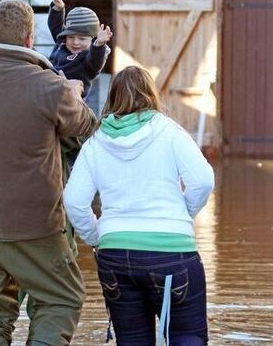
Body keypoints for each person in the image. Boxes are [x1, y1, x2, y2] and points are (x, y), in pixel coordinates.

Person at [0, 0, 97, 345]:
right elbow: (87, 127)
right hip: (36, 225)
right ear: (30, 39)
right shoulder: (49, 87)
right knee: (61, 297)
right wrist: (73, 93)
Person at [63, 66, 215, 345]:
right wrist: (182, 216)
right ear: (150, 95)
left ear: (113, 98)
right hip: (172, 255)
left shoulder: (96, 141)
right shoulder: (169, 131)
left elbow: (73, 201)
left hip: (115, 257)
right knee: (186, 337)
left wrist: (99, 236)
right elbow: (203, 180)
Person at [48, 0, 112, 99]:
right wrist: (58, 9)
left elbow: (95, 63)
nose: (75, 42)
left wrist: (99, 45)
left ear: (93, 39)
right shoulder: (62, 42)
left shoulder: (88, 58)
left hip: (70, 99)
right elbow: (55, 26)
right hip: (49, 88)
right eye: (71, 37)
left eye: (82, 39)